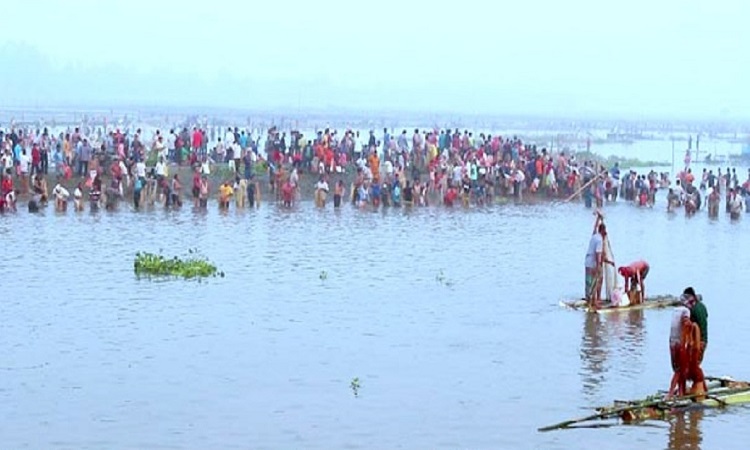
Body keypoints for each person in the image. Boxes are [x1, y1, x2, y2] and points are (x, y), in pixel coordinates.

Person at [667, 290, 706, 400]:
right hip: (680, 344)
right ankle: (672, 393)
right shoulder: (686, 312)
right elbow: (686, 324)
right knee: (680, 370)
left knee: (678, 369)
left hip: (672, 343)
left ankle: (680, 391)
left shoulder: (675, 311)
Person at [584, 212, 614, 308]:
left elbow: (594, 228)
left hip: (587, 262)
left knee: (589, 281)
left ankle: (589, 299)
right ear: (603, 231)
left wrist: (598, 219)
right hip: (593, 264)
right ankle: (596, 301)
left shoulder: (594, 236)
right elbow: (598, 255)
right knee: (598, 281)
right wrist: (598, 267)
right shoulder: (600, 240)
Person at [684, 287, 708, 363]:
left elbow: (691, 325)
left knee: (692, 363)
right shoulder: (702, 306)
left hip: (697, 341)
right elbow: (706, 316)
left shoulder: (693, 310)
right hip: (704, 339)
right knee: (696, 363)